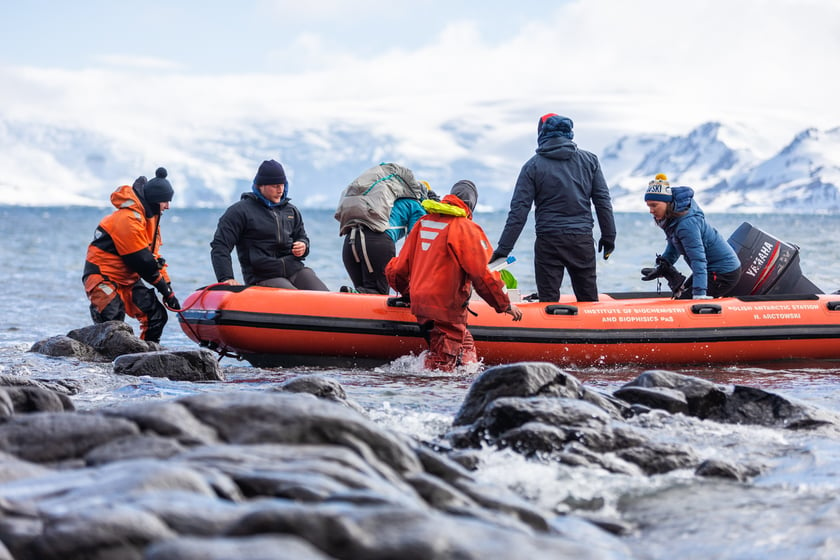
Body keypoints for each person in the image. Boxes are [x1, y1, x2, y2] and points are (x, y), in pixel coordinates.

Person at [386, 180, 523, 371]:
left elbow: (397, 269)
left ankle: (464, 384)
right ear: (471, 204)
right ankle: (432, 393)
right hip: (446, 309)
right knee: (443, 364)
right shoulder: (466, 229)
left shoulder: (422, 224)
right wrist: (504, 305)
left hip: (422, 306)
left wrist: (409, 293)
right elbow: (484, 274)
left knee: (466, 352)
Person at [490, 113, 616, 302]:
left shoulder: (532, 166)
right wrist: (609, 236)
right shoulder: (590, 161)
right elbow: (602, 201)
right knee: (589, 300)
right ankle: (591, 331)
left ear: (541, 134)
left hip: (548, 241)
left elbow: (519, 212)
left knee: (548, 302)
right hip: (581, 240)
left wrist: (503, 250)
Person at [83, 167, 180, 344]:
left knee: (156, 316)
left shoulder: (149, 221)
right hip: (103, 277)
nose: (168, 206)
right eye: (165, 201)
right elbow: (142, 262)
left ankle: (146, 355)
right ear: (155, 200)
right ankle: (102, 365)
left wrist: (169, 289)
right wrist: (164, 290)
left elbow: (154, 259)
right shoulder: (127, 219)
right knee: (113, 323)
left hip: (127, 279)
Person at [210, 159, 329, 291]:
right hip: (263, 276)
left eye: (283, 185)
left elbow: (302, 237)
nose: (280, 190)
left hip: (295, 270)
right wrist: (226, 278)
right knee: (296, 299)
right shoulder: (240, 211)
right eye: (275, 186)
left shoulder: (291, 211)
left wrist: (303, 245)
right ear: (260, 186)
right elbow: (220, 246)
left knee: (325, 296)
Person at [641, 173, 742, 299]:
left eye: (654, 205)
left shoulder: (686, 225)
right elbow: (673, 247)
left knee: (684, 302)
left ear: (667, 203)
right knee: (679, 299)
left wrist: (699, 294)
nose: (651, 210)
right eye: (648, 206)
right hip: (710, 270)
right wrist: (661, 268)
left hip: (723, 273)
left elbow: (698, 259)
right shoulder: (672, 219)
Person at [335, 163, 428, 294]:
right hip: (377, 242)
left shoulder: (386, 200)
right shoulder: (416, 206)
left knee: (362, 294)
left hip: (350, 241)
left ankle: (351, 295)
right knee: (378, 292)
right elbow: (417, 240)